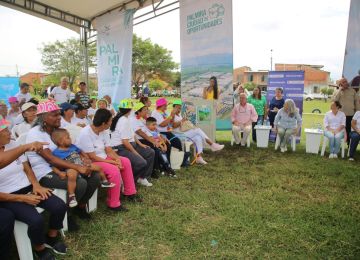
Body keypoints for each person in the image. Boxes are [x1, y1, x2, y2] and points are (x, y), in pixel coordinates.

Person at [0, 117, 68, 259]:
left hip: (28, 187)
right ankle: (39, 248)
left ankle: (51, 236)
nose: (9, 133)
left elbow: (26, 167)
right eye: (5, 130)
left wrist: (36, 185)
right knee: (36, 220)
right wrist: (22, 198)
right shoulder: (13, 149)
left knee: (59, 206)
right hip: (8, 197)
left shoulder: (12, 144)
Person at [26, 100, 100, 227]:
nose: (59, 117)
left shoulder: (57, 130)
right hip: (46, 172)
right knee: (80, 183)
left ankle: (80, 206)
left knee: (95, 176)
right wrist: (78, 167)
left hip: (65, 165)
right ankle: (67, 214)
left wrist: (83, 160)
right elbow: (50, 159)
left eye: (59, 114)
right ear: (43, 117)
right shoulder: (36, 133)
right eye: (54, 115)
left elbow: (71, 147)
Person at [76, 108, 139, 212]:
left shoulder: (104, 131)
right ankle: (113, 204)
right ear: (104, 123)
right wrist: (112, 162)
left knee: (125, 162)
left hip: (103, 157)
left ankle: (130, 193)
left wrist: (117, 159)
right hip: (91, 161)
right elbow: (92, 157)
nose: (111, 122)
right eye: (110, 120)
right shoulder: (85, 133)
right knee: (113, 170)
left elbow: (108, 150)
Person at [51, 128, 115, 207]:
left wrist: (86, 158)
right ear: (60, 141)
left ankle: (104, 181)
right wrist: (59, 173)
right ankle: (72, 196)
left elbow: (80, 151)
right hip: (71, 168)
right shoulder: (55, 153)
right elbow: (53, 165)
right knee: (72, 175)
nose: (70, 138)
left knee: (98, 168)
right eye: (68, 137)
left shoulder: (72, 146)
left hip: (82, 165)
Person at [110, 99, 155, 187]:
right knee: (141, 162)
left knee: (150, 152)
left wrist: (141, 144)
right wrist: (135, 153)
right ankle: (128, 182)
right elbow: (125, 141)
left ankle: (142, 177)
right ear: (130, 110)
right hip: (121, 148)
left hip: (130, 145)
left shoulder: (126, 118)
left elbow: (132, 134)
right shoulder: (123, 120)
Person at [130, 103, 176, 178]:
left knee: (167, 144)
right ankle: (155, 169)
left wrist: (161, 137)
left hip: (148, 138)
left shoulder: (142, 119)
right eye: (145, 110)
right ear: (138, 111)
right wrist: (154, 141)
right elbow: (141, 133)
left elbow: (152, 131)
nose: (147, 111)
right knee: (155, 148)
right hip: (140, 140)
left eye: (147, 109)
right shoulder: (133, 120)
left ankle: (166, 165)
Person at [172, 100, 224, 164]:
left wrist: (184, 121)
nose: (179, 109)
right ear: (174, 107)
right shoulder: (172, 115)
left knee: (198, 137)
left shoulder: (179, 115)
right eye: (177, 108)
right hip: (178, 136)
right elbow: (173, 126)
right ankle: (212, 144)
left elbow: (181, 125)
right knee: (198, 130)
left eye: (180, 108)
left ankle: (199, 157)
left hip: (183, 134)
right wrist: (182, 121)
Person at [332, 78, 356, 144]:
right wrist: (339, 90)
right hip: (340, 115)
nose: (346, 83)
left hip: (350, 114)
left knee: (349, 130)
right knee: (339, 129)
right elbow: (334, 101)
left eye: (346, 81)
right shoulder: (337, 91)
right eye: (344, 82)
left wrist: (357, 112)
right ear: (340, 84)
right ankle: (337, 144)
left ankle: (349, 145)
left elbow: (356, 102)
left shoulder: (352, 91)